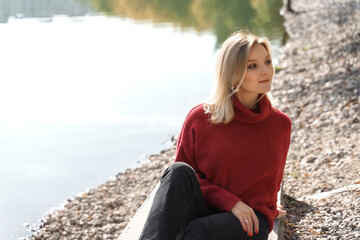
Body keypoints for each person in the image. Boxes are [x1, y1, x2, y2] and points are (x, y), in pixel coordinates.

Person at [139, 30, 291, 240]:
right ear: (232, 72)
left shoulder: (279, 124)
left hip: (250, 221)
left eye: (267, 62)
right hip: (205, 209)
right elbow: (181, 186)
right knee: (178, 171)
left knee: (200, 231)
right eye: (252, 66)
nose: (266, 71)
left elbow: (271, 184)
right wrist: (230, 202)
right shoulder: (200, 119)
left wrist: (269, 208)